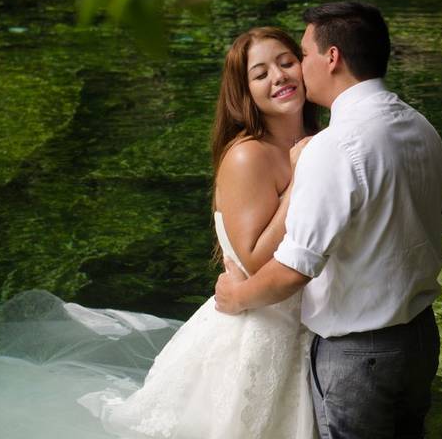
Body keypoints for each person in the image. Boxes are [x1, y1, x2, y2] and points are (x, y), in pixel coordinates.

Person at [215, 2, 442, 439]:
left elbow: (293, 269)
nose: (295, 70)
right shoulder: (421, 127)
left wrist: (236, 297)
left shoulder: (334, 146)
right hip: (419, 337)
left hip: (361, 352)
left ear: (333, 58)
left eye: (299, 56)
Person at [80, 27, 319, 439]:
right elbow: (254, 261)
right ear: (244, 93)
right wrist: (301, 181)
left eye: (285, 62)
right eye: (260, 73)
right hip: (257, 334)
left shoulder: (317, 141)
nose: (278, 77)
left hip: (307, 328)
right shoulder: (248, 155)